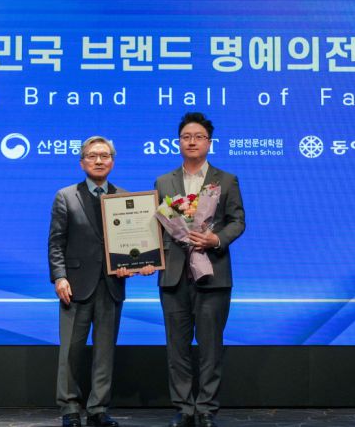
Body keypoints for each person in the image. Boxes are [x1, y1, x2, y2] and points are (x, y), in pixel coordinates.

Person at [48, 135, 153, 427]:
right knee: (71, 351)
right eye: (92, 156)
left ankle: (98, 408)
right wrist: (59, 277)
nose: (98, 160)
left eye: (104, 156)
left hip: (112, 285)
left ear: (112, 162)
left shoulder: (126, 198)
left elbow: (135, 244)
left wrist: (138, 263)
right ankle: (70, 407)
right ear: (82, 162)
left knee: (105, 351)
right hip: (75, 285)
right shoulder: (66, 196)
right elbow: (56, 243)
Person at [155, 113, 246, 427]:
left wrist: (215, 239)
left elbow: (237, 221)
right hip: (174, 275)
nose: (191, 142)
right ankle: (183, 408)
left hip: (213, 273)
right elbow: (157, 226)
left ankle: (206, 408)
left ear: (209, 142)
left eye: (198, 137)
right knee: (177, 347)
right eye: (186, 137)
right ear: (178, 142)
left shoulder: (226, 180)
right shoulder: (164, 182)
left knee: (211, 347)